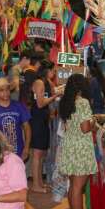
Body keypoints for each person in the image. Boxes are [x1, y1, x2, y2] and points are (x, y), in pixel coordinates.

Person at [58, 74, 100, 209]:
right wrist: (94, 123)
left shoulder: (66, 102)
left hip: (70, 146)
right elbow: (85, 128)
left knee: (73, 185)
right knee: (78, 187)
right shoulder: (82, 102)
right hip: (81, 148)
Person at [28, 61, 59, 193]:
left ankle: (40, 182)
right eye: (53, 71)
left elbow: (52, 90)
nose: (54, 74)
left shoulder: (45, 82)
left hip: (43, 119)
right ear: (47, 70)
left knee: (42, 153)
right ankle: (35, 184)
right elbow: (40, 103)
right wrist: (54, 97)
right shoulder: (39, 82)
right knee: (37, 153)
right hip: (37, 119)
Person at [0, 78, 31, 159]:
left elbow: (27, 127)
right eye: (1, 90)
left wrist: (26, 148)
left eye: (7, 89)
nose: (5, 93)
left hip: (18, 152)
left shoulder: (19, 106)